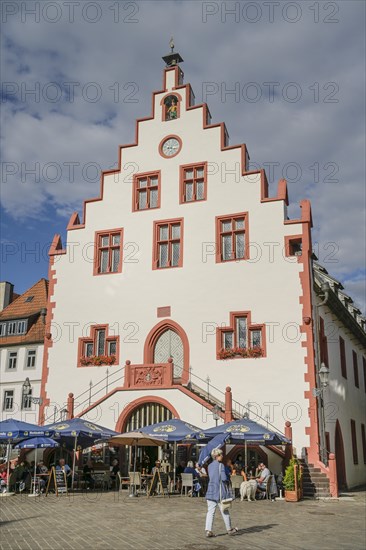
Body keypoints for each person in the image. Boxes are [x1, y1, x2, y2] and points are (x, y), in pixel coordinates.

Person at [205, 449, 238, 538]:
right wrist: (228, 477)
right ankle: (229, 529)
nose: (222, 456)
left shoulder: (209, 466)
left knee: (210, 512)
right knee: (224, 510)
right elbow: (223, 478)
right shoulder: (221, 466)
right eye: (221, 454)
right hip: (220, 492)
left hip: (211, 490)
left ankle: (208, 530)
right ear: (216, 456)